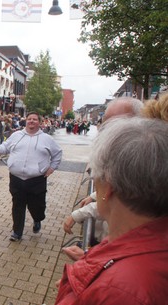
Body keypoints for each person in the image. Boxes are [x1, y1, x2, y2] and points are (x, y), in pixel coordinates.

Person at [55, 117, 168, 305]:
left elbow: (124, 286)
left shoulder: (118, 292)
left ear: (108, 187)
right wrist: (93, 266)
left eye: (94, 174)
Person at [61, 96, 144, 260]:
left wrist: (78, 214)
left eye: (117, 123)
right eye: (105, 123)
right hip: (108, 246)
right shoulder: (116, 149)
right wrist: (93, 196)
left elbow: (117, 201)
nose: (108, 129)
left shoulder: (137, 156)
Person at [0, 111, 62, 241]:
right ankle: (17, 232)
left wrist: (51, 168)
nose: (31, 121)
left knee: (36, 206)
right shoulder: (16, 135)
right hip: (16, 179)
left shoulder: (47, 139)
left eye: (35, 119)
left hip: (37, 180)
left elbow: (57, 154)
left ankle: (37, 219)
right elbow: (5, 147)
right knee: (18, 205)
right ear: (26, 121)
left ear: (40, 122)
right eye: (29, 119)